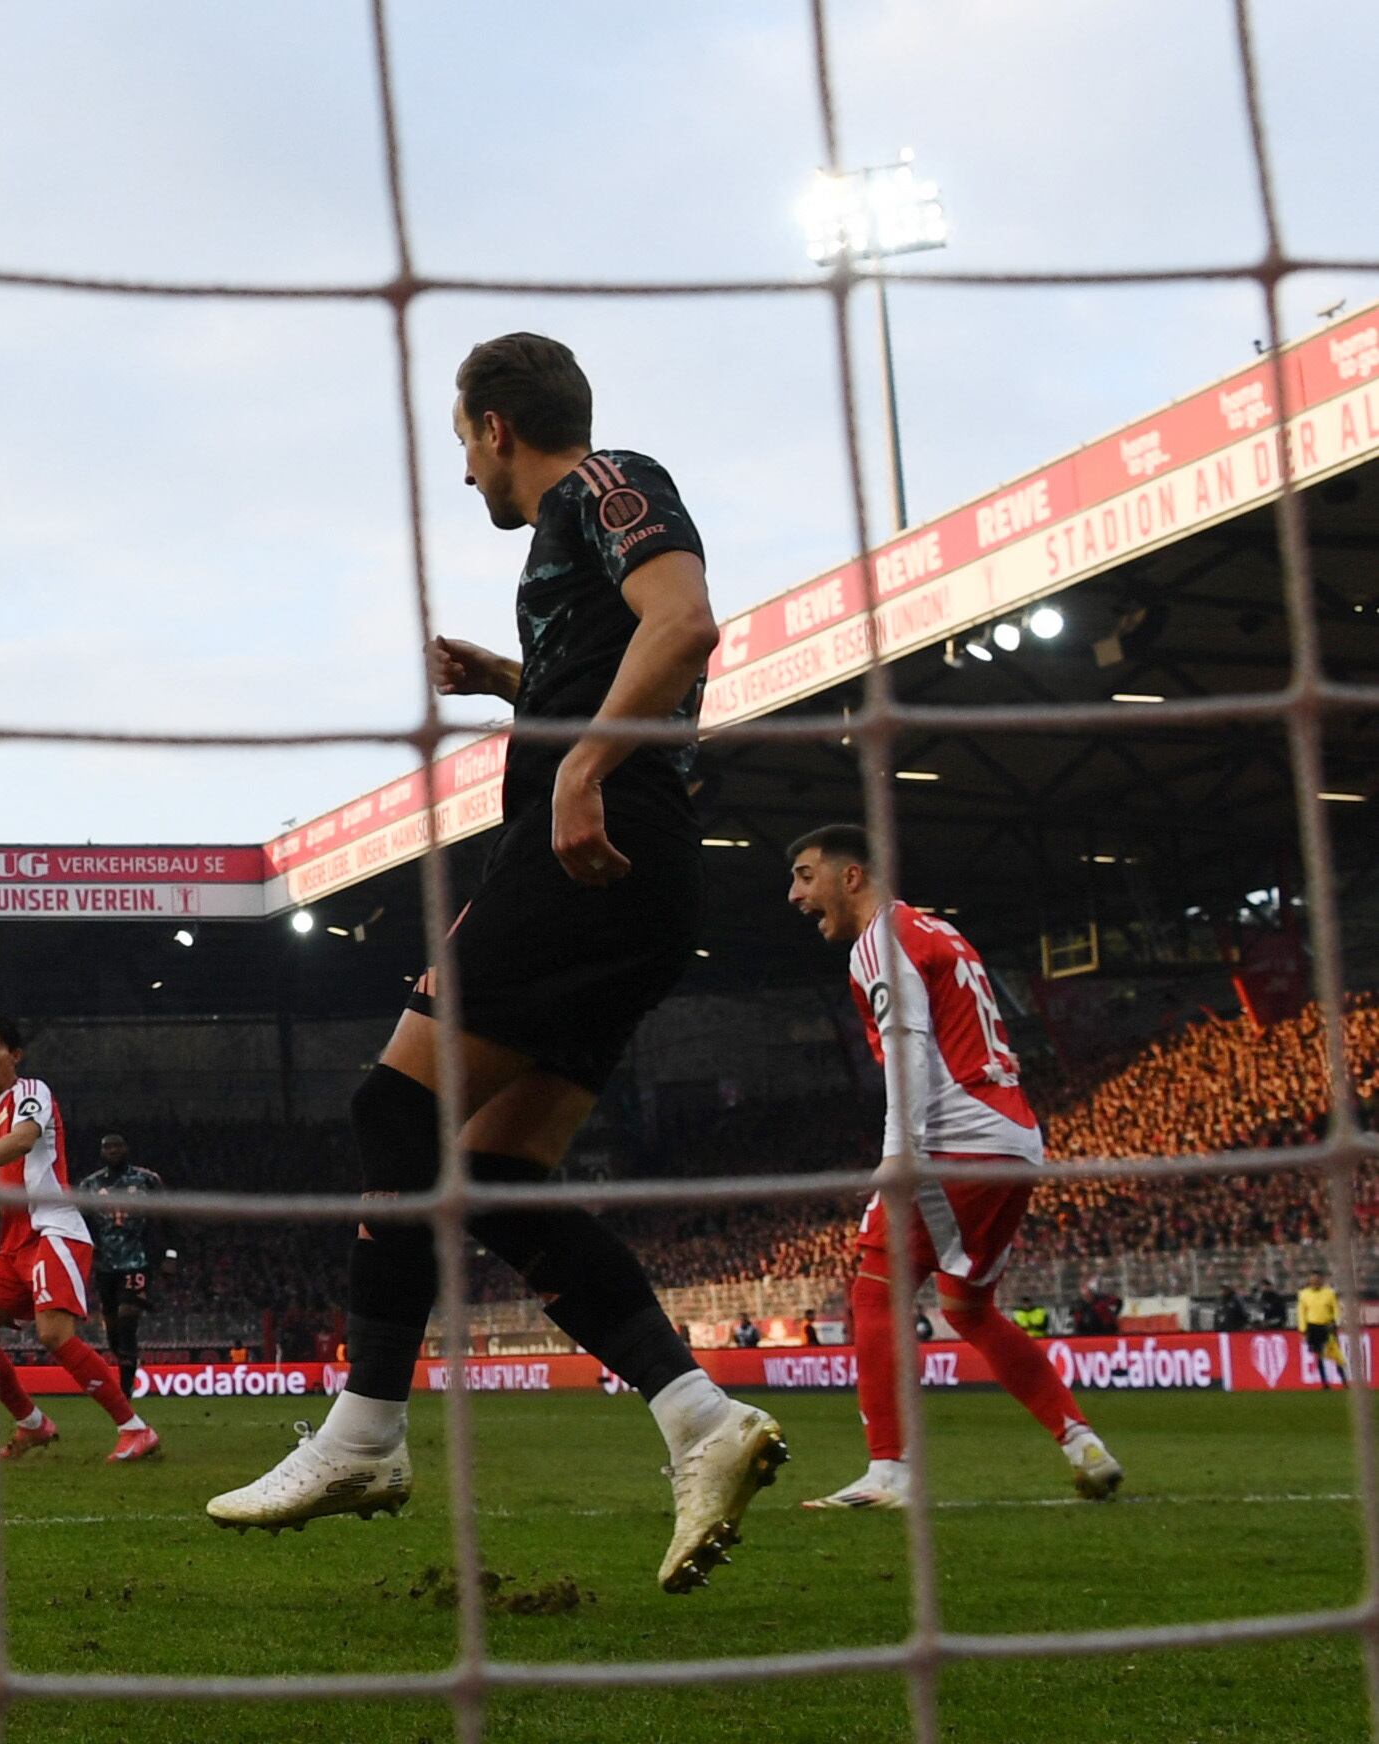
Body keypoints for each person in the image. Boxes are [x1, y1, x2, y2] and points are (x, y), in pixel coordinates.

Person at [206, 333, 783, 1595]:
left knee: (388, 1106)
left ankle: (363, 1432)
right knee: (501, 1172)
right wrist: (515, 687)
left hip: (592, 847)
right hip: (630, 870)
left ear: (492, 427)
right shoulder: (562, 540)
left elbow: (684, 626)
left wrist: (577, 765)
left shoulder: (605, 480)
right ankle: (700, 1419)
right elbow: (622, 659)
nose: (464, 475)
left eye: (462, 445)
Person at [784, 823, 1120, 1509]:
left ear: (852, 877)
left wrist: (898, 1154)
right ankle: (1082, 1442)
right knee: (969, 1308)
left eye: (804, 874)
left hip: (952, 1139)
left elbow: (909, 1044)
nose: (795, 894)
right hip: (1015, 1137)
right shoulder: (939, 931)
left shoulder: (881, 940)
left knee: (875, 1289)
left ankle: (889, 1473)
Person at [0, 1021, 158, 1463]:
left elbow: (26, 1140)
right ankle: (33, 1425)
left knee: (53, 1334)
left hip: (52, 1231)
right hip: (13, 1244)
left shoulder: (31, 1091)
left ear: (15, 1055)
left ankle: (136, 1430)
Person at [76, 1133, 166, 1394]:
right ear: (102, 1152)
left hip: (137, 1260)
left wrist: (169, 1253)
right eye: (108, 1147)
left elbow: (168, 1216)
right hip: (105, 1265)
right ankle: (127, 1359)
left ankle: (125, 1392)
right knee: (114, 1330)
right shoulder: (89, 1185)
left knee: (128, 1318)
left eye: (117, 1146)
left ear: (127, 1149)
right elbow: (81, 1223)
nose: (113, 1151)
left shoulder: (147, 1181)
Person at [1299, 1269, 1346, 1387]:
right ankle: (1324, 1382)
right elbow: (1301, 1312)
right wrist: (1303, 1329)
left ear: (1321, 1280)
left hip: (1327, 1326)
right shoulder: (1304, 1294)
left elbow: (1336, 1309)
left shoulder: (1329, 1293)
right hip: (1313, 1327)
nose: (1315, 1281)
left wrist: (1335, 1322)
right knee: (1319, 1354)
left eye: (1317, 1279)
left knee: (1335, 1352)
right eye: (1312, 1279)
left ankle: (1343, 1380)